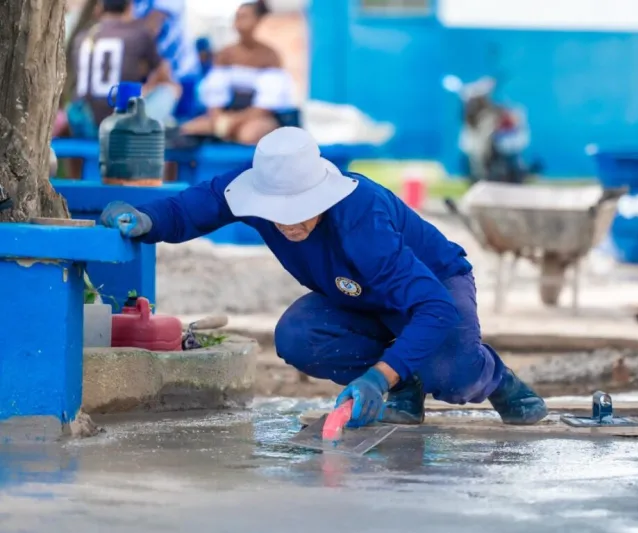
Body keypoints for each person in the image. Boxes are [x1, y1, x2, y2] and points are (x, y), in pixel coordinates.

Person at [97, 127, 549, 429]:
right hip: (357, 297)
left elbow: (433, 308)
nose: (289, 225)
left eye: (300, 212)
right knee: (297, 335)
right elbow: (186, 210)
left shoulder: (362, 222)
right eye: (278, 215)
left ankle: (496, 377)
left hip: (431, 289)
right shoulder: (254, 187)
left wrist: (376, 377)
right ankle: (403, 385)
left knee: (450, 372)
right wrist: (143, 219)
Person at [179, 2, 295, 144]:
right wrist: (219, 118)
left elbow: (266, 105)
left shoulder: (269, 56)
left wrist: (235, 121)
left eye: (244, 17)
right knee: (188, 129)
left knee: (248, 134)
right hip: (225, 115)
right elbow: (214, 94)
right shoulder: (225, 54)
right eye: (237, 17)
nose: (239, 22)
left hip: (257, 117)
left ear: (257, 20)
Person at [66, 0, 181, 137]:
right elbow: (165, 74)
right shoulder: (139, 34)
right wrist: (148, 87)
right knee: (171, 89)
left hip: (83, 121)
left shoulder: (82, 36)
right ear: (129, 7)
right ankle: (144, 139)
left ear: (101, 8)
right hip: (120, 124)